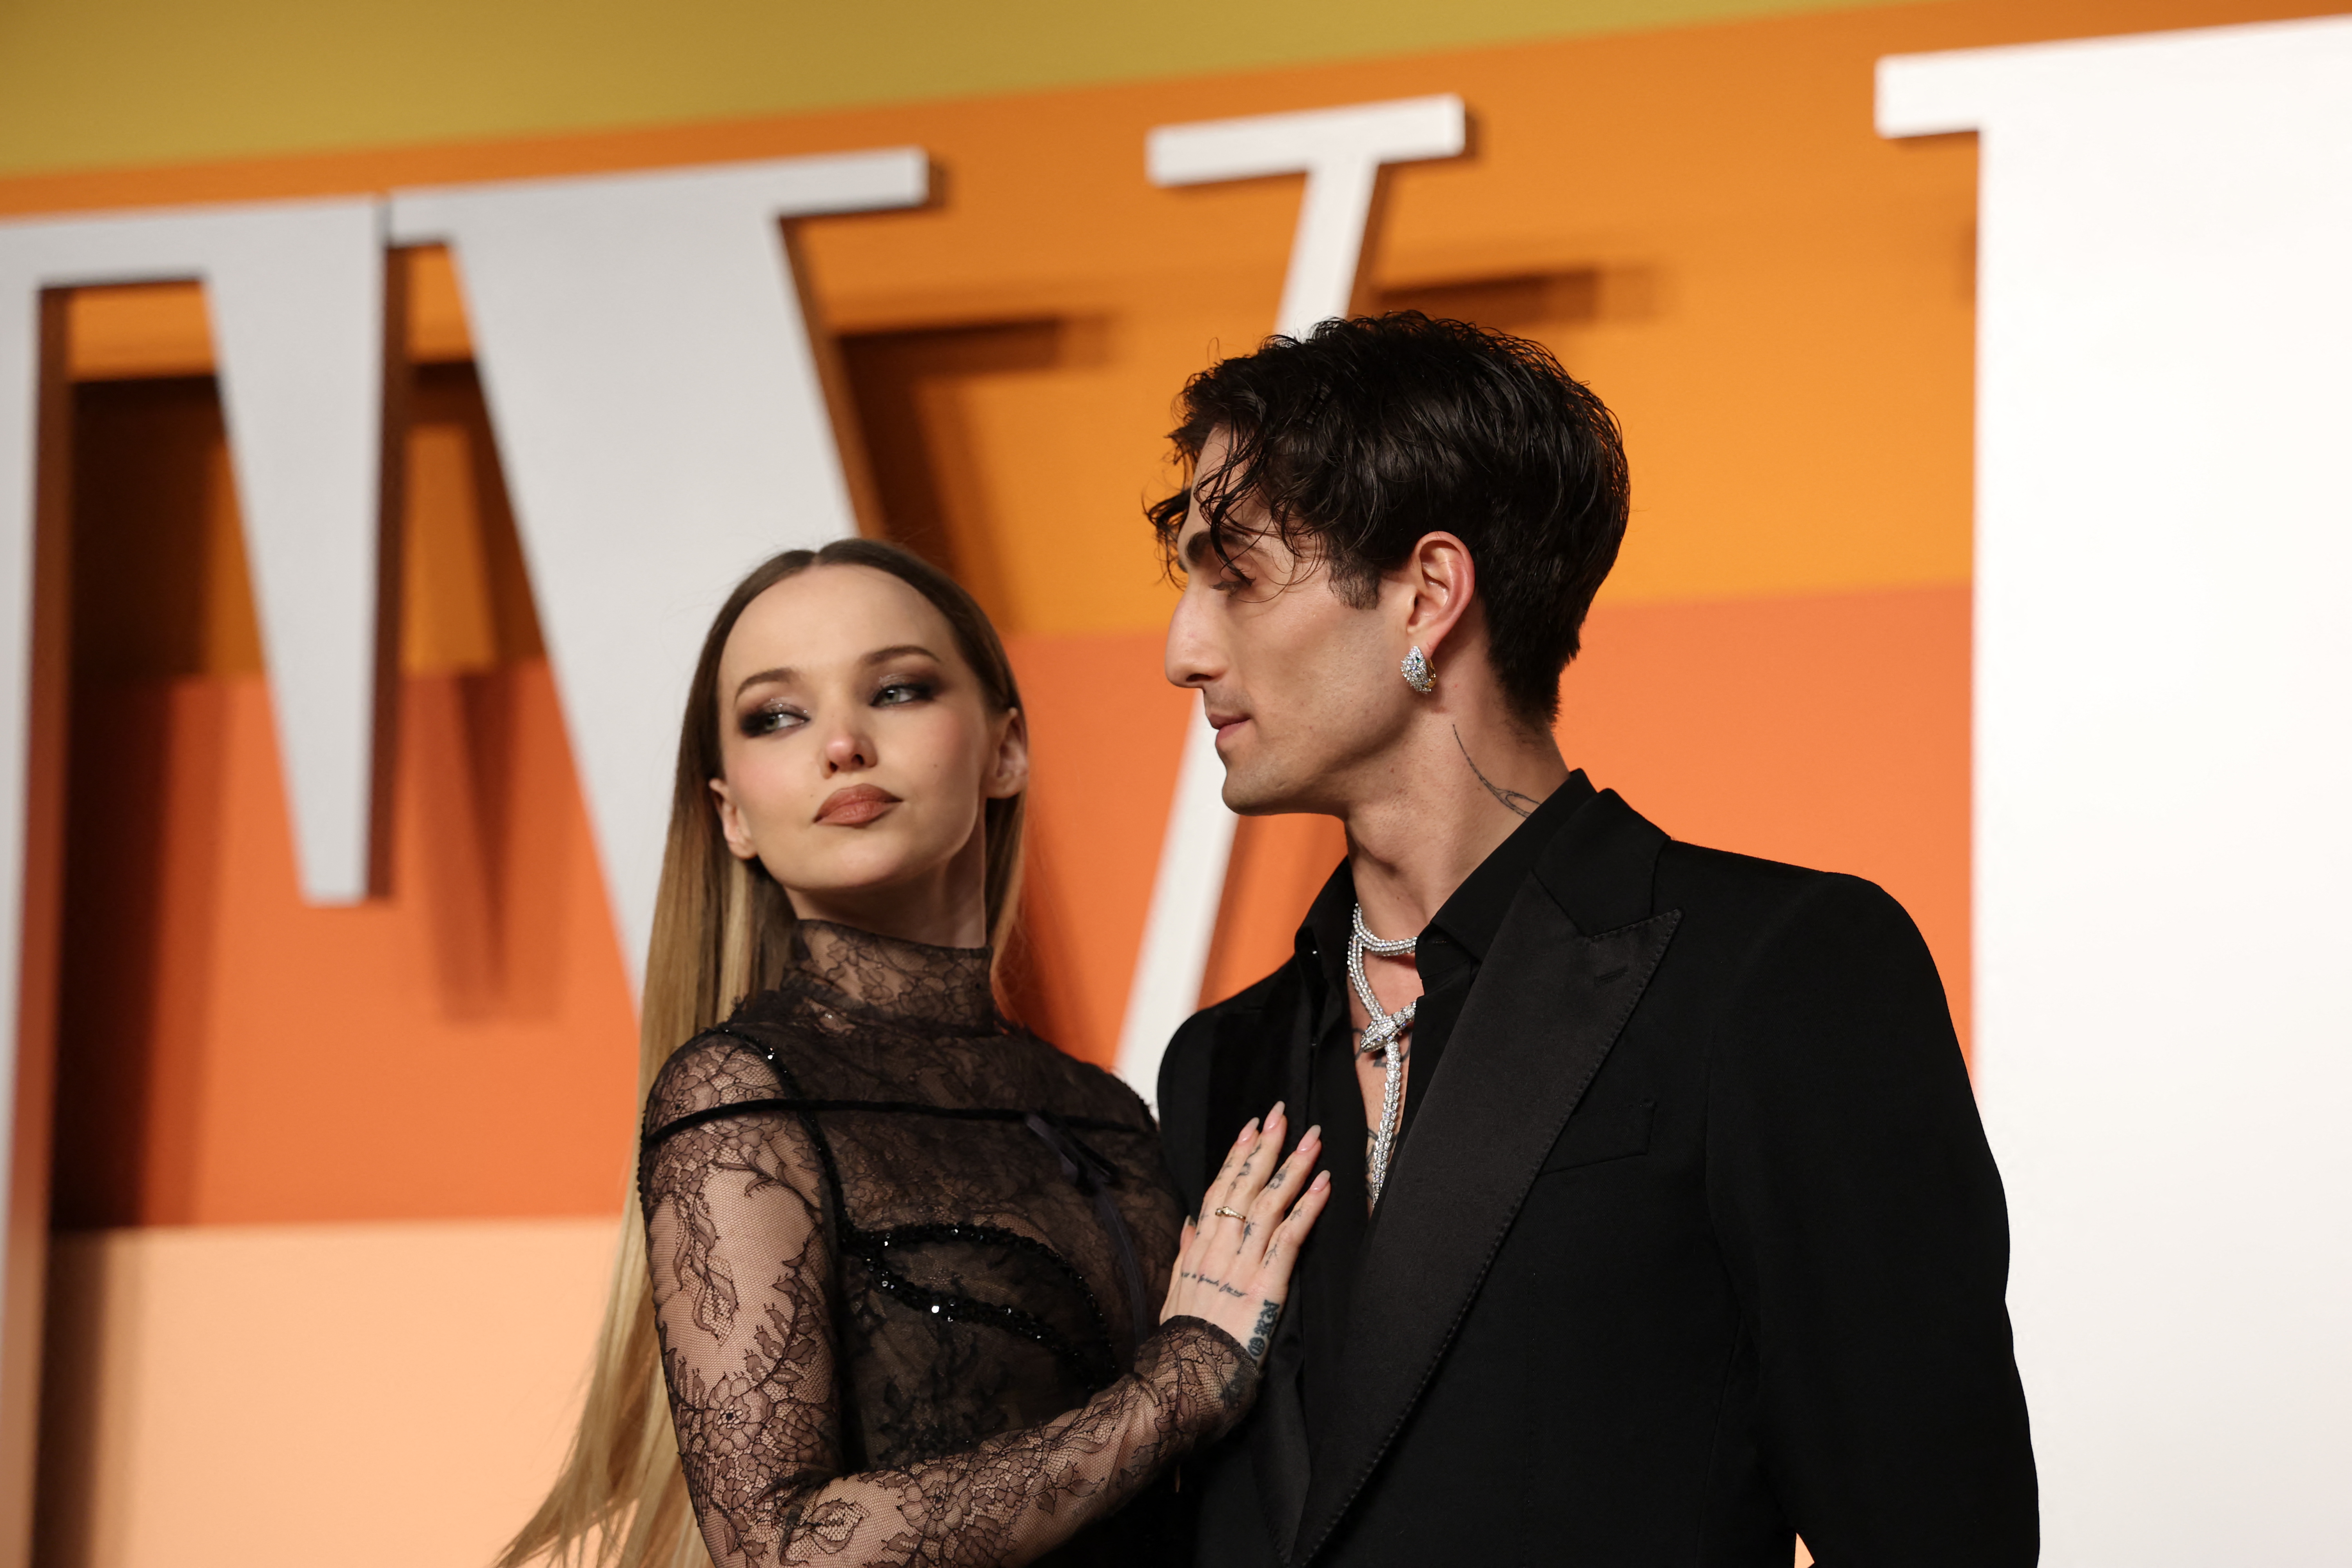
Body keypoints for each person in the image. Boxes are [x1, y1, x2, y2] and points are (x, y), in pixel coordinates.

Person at [1146, 314, 2038, 1566]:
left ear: (1427, 594)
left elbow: (1935, 1532)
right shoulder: (1220, 1063)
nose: (1182, 652)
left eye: (1235, 576)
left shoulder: (1778, 976)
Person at [499, 539, 1330, 1568]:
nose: (843, 744)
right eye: (777, 715)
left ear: (1005, 750)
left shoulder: (1111, 1113)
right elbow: (774, 1548)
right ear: (732, 815)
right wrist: (1177, 1389)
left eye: (896, 691)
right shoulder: (741, 1097)